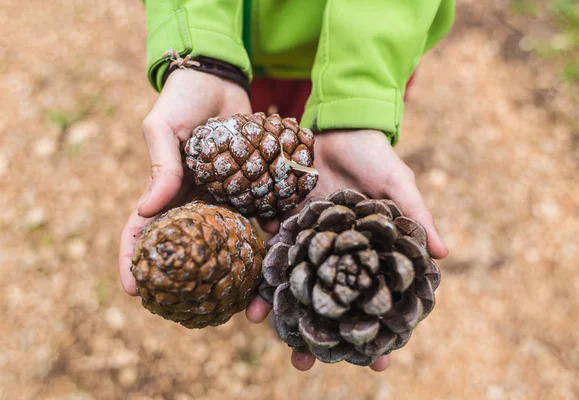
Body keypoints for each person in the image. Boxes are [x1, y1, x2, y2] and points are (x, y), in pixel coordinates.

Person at [119, 0, 455, 372]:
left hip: (355, 53)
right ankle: (278, 282)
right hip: (233, 50)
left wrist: (356, 101)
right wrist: (203, 50)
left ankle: (278, 280)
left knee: (284, 146)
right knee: (262, 139)